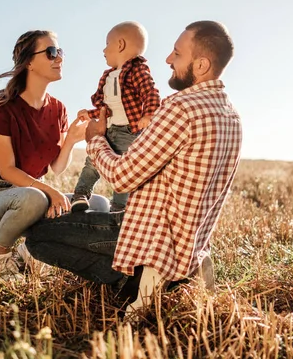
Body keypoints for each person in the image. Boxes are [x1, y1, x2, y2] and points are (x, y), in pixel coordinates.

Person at [24, 21, 243, 317]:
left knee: (38, 238)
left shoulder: (182, 108)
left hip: (152, 239)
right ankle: (150, 277)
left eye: (177, 54)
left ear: (201, 64)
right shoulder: (231, 115)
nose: (167, 60)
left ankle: (135, 277)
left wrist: (95, 138)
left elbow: (122, 176)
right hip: (189, 243)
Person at [0, 30, 99, 281]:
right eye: (51, 52)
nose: (60, 58)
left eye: (60, 52)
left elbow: (56, 167)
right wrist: (51, 193)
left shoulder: (58, 109)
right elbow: (7, 169)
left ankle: (28, 251)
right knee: (34, 197)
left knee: (97, 204)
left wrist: (72, 141)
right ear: (29, 62)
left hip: (37, 197)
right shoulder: (1, 106)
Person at [71, 21, 160, 212]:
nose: (104, 50)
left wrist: (149, 114)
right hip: (108, 129)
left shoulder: (137, 71)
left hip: (129, 132)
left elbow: (150, 93)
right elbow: (108, 108)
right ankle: (81, 195)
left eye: (107, 44)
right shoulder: (109, 76)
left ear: (120, 45)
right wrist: (90, 113)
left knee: (125, 171)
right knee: (92, 162)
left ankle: (119, 207)